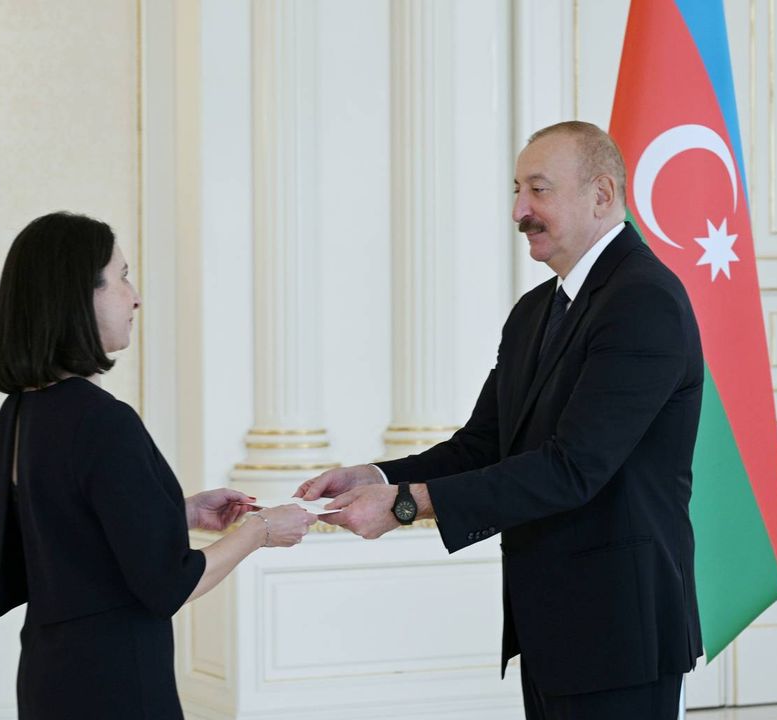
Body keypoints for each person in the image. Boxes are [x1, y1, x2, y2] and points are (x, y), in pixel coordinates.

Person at [297, 121, 704, 719]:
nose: (519, 211)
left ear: (601, 194)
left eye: (539, 189)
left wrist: (405, 505)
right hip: (549, 627)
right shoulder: (535, 310)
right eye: (517, 190)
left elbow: (572, 468)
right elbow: (484, 445)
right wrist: (378, 477)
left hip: (621, 629)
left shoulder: (645, 300)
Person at [0, 211, 316, 720]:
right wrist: (261, 530)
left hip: (47, 676)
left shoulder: (19, 412)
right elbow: (170, 585)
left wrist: (178, 512)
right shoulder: (102, 421)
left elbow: (72, 530)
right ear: (78, 297)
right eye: (121, 277)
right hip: (116, 682)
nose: (135, 296)